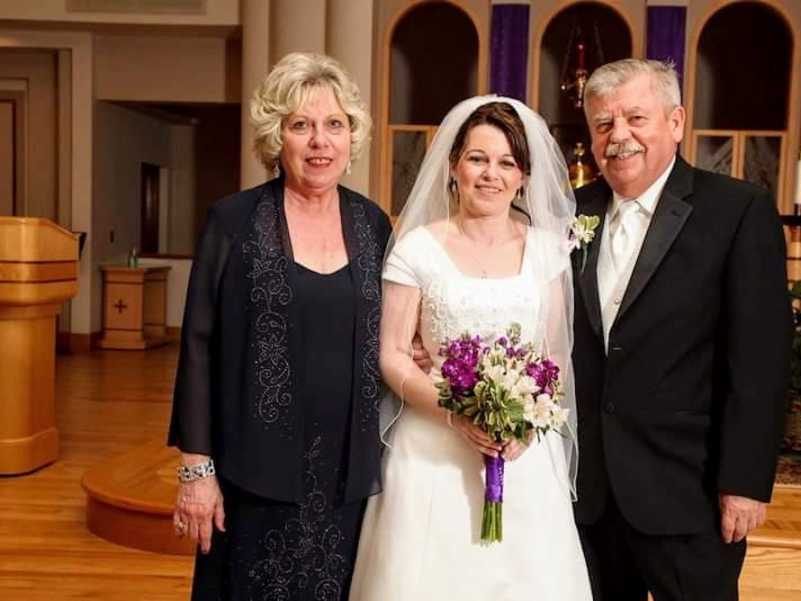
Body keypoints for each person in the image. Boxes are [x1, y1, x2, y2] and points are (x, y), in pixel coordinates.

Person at [168, 52, 391, 601]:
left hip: (347, 476)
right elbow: (198, 345)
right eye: (301, 125)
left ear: (351, 136)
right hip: (253, 470)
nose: (320, 142)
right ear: (277, 136)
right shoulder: (233, 220)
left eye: (334, 125)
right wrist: (197, 470)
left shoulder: (373, 222)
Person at [348, 97, 592, 600]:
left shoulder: (546, 250)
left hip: (522, 455)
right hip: (430, 450)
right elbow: (391, 352)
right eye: (478, 159)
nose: (490, 174)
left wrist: (524, 424)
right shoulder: (417, 247)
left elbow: (553, 357)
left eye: (506, 162)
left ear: (523, 176)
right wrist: (454, 413)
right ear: (454, 165)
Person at [572, 58, 792, 601]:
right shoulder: (570, 214)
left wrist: (743, 482)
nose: (618, 136)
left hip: (689, 491)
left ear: (676, 122)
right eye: (603, 124)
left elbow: (760, 362)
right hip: (589, 495)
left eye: (635, 119)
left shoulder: (738, 210)